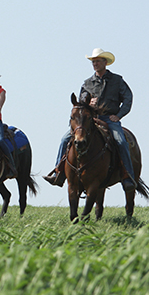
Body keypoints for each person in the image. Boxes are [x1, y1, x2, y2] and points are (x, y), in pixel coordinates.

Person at [43, 48, 136, 192]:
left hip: (109, 119)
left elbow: (128, 98)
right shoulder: (87, 83)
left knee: (121, 141)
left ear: (105, 62)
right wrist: (88, 105)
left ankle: (127, 176)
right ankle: (58, 173)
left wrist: (118, 115)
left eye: (97, 61)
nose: (95, 64)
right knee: (64, 140)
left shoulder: (117, 81)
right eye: (93, 61)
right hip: (89, 121)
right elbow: (80, 104)